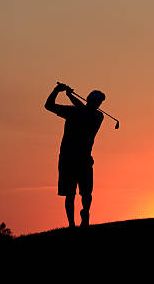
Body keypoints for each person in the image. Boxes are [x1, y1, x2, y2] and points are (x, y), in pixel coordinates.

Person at [45, 82, 104, 228]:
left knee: (86, 193)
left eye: (99, 103)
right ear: (91, 101)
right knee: (70, 194)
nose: (98, 105)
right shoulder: (89, 113)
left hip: (77, 159)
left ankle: (85, 215)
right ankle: (71, 224)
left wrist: (62, 92)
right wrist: (61, 92)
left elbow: (84, 111)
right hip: (70, 159)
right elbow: (49, 106)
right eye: (97, 102)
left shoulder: (97, 116)